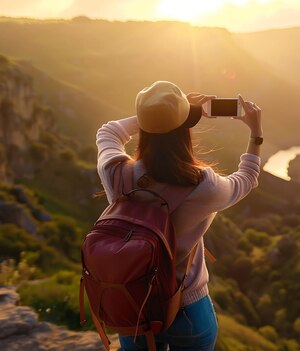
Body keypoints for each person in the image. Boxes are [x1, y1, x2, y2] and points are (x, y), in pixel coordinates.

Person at [95, 80, 263, 351]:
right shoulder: (203, 185)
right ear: (184, 128)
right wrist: (256, 133)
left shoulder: (116, 172)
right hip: (187, 309)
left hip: (133, 304)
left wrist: (157, 115)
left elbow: (109, 131)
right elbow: (246, 178)